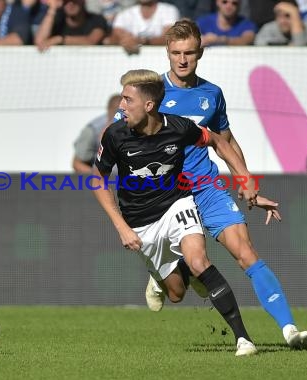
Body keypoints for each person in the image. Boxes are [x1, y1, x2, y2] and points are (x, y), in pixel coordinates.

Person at [147, 19, 307, 350]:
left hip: (207, 187)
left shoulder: (212, 94)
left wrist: (247, 181)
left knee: (246, 252)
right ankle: (166, 271)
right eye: (176, 53)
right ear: (167, 53)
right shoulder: (152, 93)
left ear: (200, 53)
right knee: (180, 290)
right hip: (169, 195)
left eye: (189, 53)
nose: (182, 60)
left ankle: (289, 329)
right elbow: (124, 135)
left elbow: (225, 141)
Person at [92, 69, 261, 356]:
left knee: (199, 260)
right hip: (140, 222)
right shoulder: (115, 134)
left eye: (127, 100)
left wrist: (243, 177)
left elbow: (219, 141)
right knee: (176, 293)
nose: (121, 105)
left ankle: (243, 339)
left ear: (148, 105)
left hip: (177, 204)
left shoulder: (179, 127)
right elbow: (98, 179)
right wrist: (122, 227)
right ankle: (173, 274)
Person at [72, 93, 122, 173]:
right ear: (109, 110)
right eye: (117, 112)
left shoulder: (134, 124)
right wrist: (99, 178)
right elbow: (77, 163)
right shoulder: (92, 131)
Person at [107, 0, 179, 55]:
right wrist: (125, 40)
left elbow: (170, 38)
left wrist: (143, 41)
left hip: (159, 59)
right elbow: (114, 37)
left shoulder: (169, 10)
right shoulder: (125, 13)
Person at [34, 0, 108, 51]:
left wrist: (60, 39)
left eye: (74, 1)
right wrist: (52, 8)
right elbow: (40, 41)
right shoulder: (58, 20)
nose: (70, 4)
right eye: (66, 1)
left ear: (83, 1)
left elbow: (91, 41)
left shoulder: (96, 19)